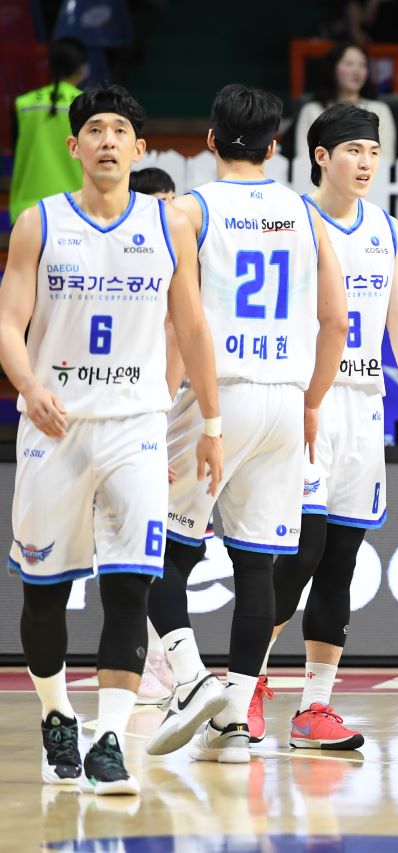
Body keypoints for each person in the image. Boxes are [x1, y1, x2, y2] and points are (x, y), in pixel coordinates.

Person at [0, 85, 223, 794]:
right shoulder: (39, 222)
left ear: (139, 147)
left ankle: (109, 741)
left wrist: (210, 423)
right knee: (45, 594)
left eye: (119, 130)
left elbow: (192, 327)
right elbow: (8, 321)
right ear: (74, 147)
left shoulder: (168, 225)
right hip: (54, 430)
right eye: (94, 129)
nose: (106, 140)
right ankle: (56, 712)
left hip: (136, 428)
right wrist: (28, 385)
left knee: (130, 586)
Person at [144, 84, 348, 765]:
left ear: (209, 140)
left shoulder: (188, 209)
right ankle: (233, 722)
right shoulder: (305, 212)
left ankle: (189, 678)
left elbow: (186, 326)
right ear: (275, 146)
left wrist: (196, 414)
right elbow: (336, 320)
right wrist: (312, 400)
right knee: (257, 564)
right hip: (286, 399)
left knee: (153, 546)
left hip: (218, 395)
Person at [252, 103, 398, 750]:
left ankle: (315, 708)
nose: (365, 162)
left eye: (373, 151)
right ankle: (246, 678)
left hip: (364, 404)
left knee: (341, 559)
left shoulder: (386, 230)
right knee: (303, 549)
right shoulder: (291, 221)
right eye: (353, 150)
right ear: (321, 156)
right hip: (307, 400)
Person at [127, 164, 182, 707]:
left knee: (169, 545)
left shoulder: (183, 260)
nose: (167, 209)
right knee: (133, 544)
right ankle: (140, 659)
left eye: (172, 199)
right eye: (156, 201)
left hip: (174, 416)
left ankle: (160, 654)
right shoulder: (126, 268)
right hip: (134, 416)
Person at [8, 38, 89, 221]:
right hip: (75, 208)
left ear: (50, 66)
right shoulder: (89, 105)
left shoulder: (23, 104)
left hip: (28, 209)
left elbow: (15, 152)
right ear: (82, 69)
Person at [293, 42, 396, 163]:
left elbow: (386, 159)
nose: (357, 71)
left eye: (362, 65)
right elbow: (304, 160)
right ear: (332, 68)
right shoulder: (312, 110)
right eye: (349, 64)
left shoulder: (380, 110)